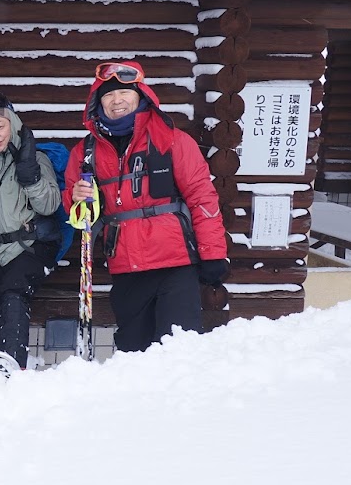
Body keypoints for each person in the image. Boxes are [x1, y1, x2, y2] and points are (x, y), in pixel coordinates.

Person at [64, 60, 229, 353]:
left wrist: (213, 254)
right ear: (97, 101)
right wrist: (75, 198)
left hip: (175, 264)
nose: (116, 101)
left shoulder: (172, 141)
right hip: (126, 266)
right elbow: (78, 217)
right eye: (108, 95)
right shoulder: (85, 151)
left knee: (178, 350)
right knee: (132, 351)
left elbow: (202, 198)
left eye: (124, 93)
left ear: (141, 95)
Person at [0, 91, 62, 370]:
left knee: (13, 296)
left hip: (28, 248)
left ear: (13, 123)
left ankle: (10, 368)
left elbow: (49, 204)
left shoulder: (35, 159)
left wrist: (31, 176)